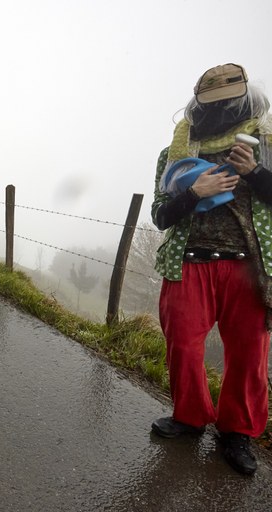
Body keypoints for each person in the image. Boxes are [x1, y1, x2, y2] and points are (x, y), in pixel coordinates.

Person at [151, 63, 272, 476]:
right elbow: (160, 215)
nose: (221, 110)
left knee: (248, 354)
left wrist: (254, 173)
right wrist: (193, 192)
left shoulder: (265, 144)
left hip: (248, 267)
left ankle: (238, 431)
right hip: (189, 262)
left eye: (229, 102)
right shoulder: (175, 153)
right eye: (212, 104)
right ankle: (190, 416)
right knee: (182, 345)